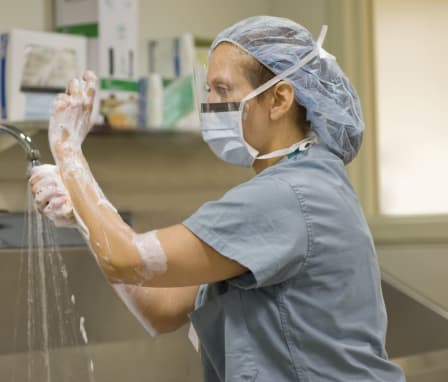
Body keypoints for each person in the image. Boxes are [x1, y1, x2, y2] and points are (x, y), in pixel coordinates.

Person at [30, 16, 405, 382]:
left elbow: (127, 260)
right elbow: (160, 309)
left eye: (223, 90)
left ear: (279, 99)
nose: (209, 105)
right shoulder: (304, 182)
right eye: (208, 89)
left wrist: (68, 151)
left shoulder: (287, 196)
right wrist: (83, 213)